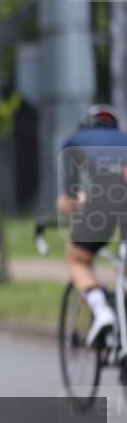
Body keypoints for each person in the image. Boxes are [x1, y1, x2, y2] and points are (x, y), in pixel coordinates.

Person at [56, 103, 127, 347]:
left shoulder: (75, 140)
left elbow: (70, 198)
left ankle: (102, 311)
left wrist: (71, 202)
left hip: (107, 194)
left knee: (77, 258)